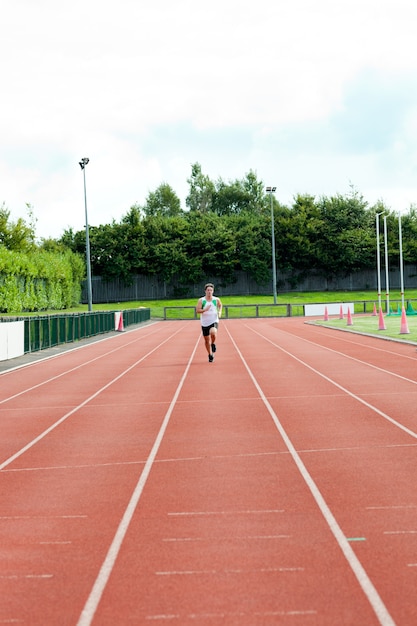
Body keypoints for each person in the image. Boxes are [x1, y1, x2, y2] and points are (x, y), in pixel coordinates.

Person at [196, 283, 222, 362]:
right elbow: (197, 310)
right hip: (204, 323)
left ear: (213, 291)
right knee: (207, 340)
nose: (209, 292)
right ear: (205, 291)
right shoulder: (201, 300)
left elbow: (220, 305)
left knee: (213, 332)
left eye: (211, 290)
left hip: (214, 320)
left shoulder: (216, 299)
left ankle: (213, 343)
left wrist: (219, 312)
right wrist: (204, 310)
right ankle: (210, 354)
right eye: (208, 290)